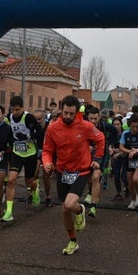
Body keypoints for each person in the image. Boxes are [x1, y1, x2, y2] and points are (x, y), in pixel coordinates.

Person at [42, 95, 105, 255]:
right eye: (65, 113)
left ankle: (80, 210)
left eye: (71, 113)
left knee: (70, 205)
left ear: (77, 112)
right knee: (64, 210)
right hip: (62, 171)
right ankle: (73, 241)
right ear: (61, 110)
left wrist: (97, 158)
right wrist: (47, 162)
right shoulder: (53, 128)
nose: (68, 116)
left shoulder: (86, 126)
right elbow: (48, 150)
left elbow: (100, 138)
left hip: (81, 171)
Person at [2, 96, 44, 222]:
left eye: (17, 110)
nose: (15, 112)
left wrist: (28, 135)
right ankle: (9, 212)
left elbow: (41, 132)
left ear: (22, 108)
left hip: (30, 153)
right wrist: (9, 141)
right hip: (17, 152)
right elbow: (8, 132)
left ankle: (35, 189)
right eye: (13, 110)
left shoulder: (28, 117)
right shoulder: (9, 117)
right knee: (11, 180)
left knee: (29, 181)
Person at [84, 106, 116, 218]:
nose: (93, 121)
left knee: (96, 177)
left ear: (99, 118)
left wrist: (111, 144)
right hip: (87, 154)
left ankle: (93, 206)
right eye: (91, 119)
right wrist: (87, 146)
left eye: (95, 119)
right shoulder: (83, 126)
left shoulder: (104, 126)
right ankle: (89, 192)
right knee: (89, 178)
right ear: (87, 118)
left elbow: (115, 131)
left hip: (100, 154)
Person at [119, 115, 138, 209]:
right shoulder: (125, 133)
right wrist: (129, 151)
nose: (135, 129)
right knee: (130, 182)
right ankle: (133, 200)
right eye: (133, 127)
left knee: (136, 179)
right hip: (130, 159)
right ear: (130, 125)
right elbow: (121, 146)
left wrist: (137, 150)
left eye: (137, 126)